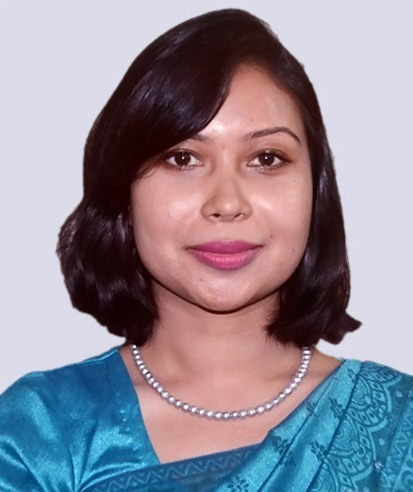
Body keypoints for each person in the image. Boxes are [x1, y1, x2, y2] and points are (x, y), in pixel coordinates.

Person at [0, 8, 412, 491]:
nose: (227, 203)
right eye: (183, 158)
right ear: (123, 194)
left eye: (266, 158)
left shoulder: (398, 428)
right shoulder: (42, 434)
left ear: (316, 191)